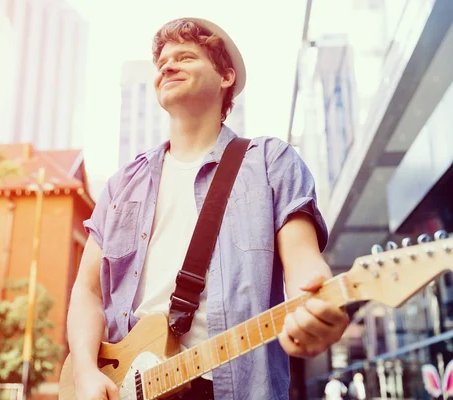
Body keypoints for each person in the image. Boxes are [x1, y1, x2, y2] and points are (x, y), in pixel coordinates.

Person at [66, 17, 350, 400]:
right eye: (162, 61)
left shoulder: (270, 161)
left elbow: (304, 262)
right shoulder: (123, 183)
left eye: (185, 57)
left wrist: (315, 304)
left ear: (226, 76)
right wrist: (84, 370)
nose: (167, 66)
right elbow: (88, 291)